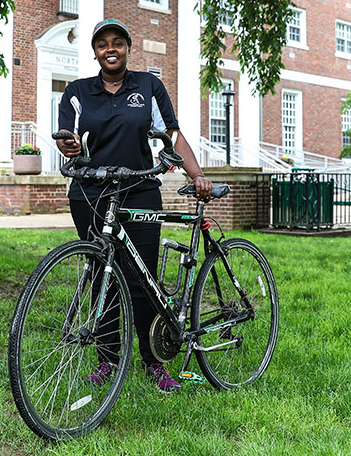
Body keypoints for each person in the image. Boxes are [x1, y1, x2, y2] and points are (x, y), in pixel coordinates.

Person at [55, 19, 212, 393]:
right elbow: (66, 136)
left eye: (118, 43)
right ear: (95, 51)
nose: (111, 49)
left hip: (139, 189)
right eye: (103, 44)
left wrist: (197, 175)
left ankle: (152, 360)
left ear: (127, 48)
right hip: (90, 193)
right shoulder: (77, 92)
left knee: (143, 279)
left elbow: (171, 134)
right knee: (101, 276)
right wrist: (68, 146)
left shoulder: (148, 86)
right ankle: (108, 360)